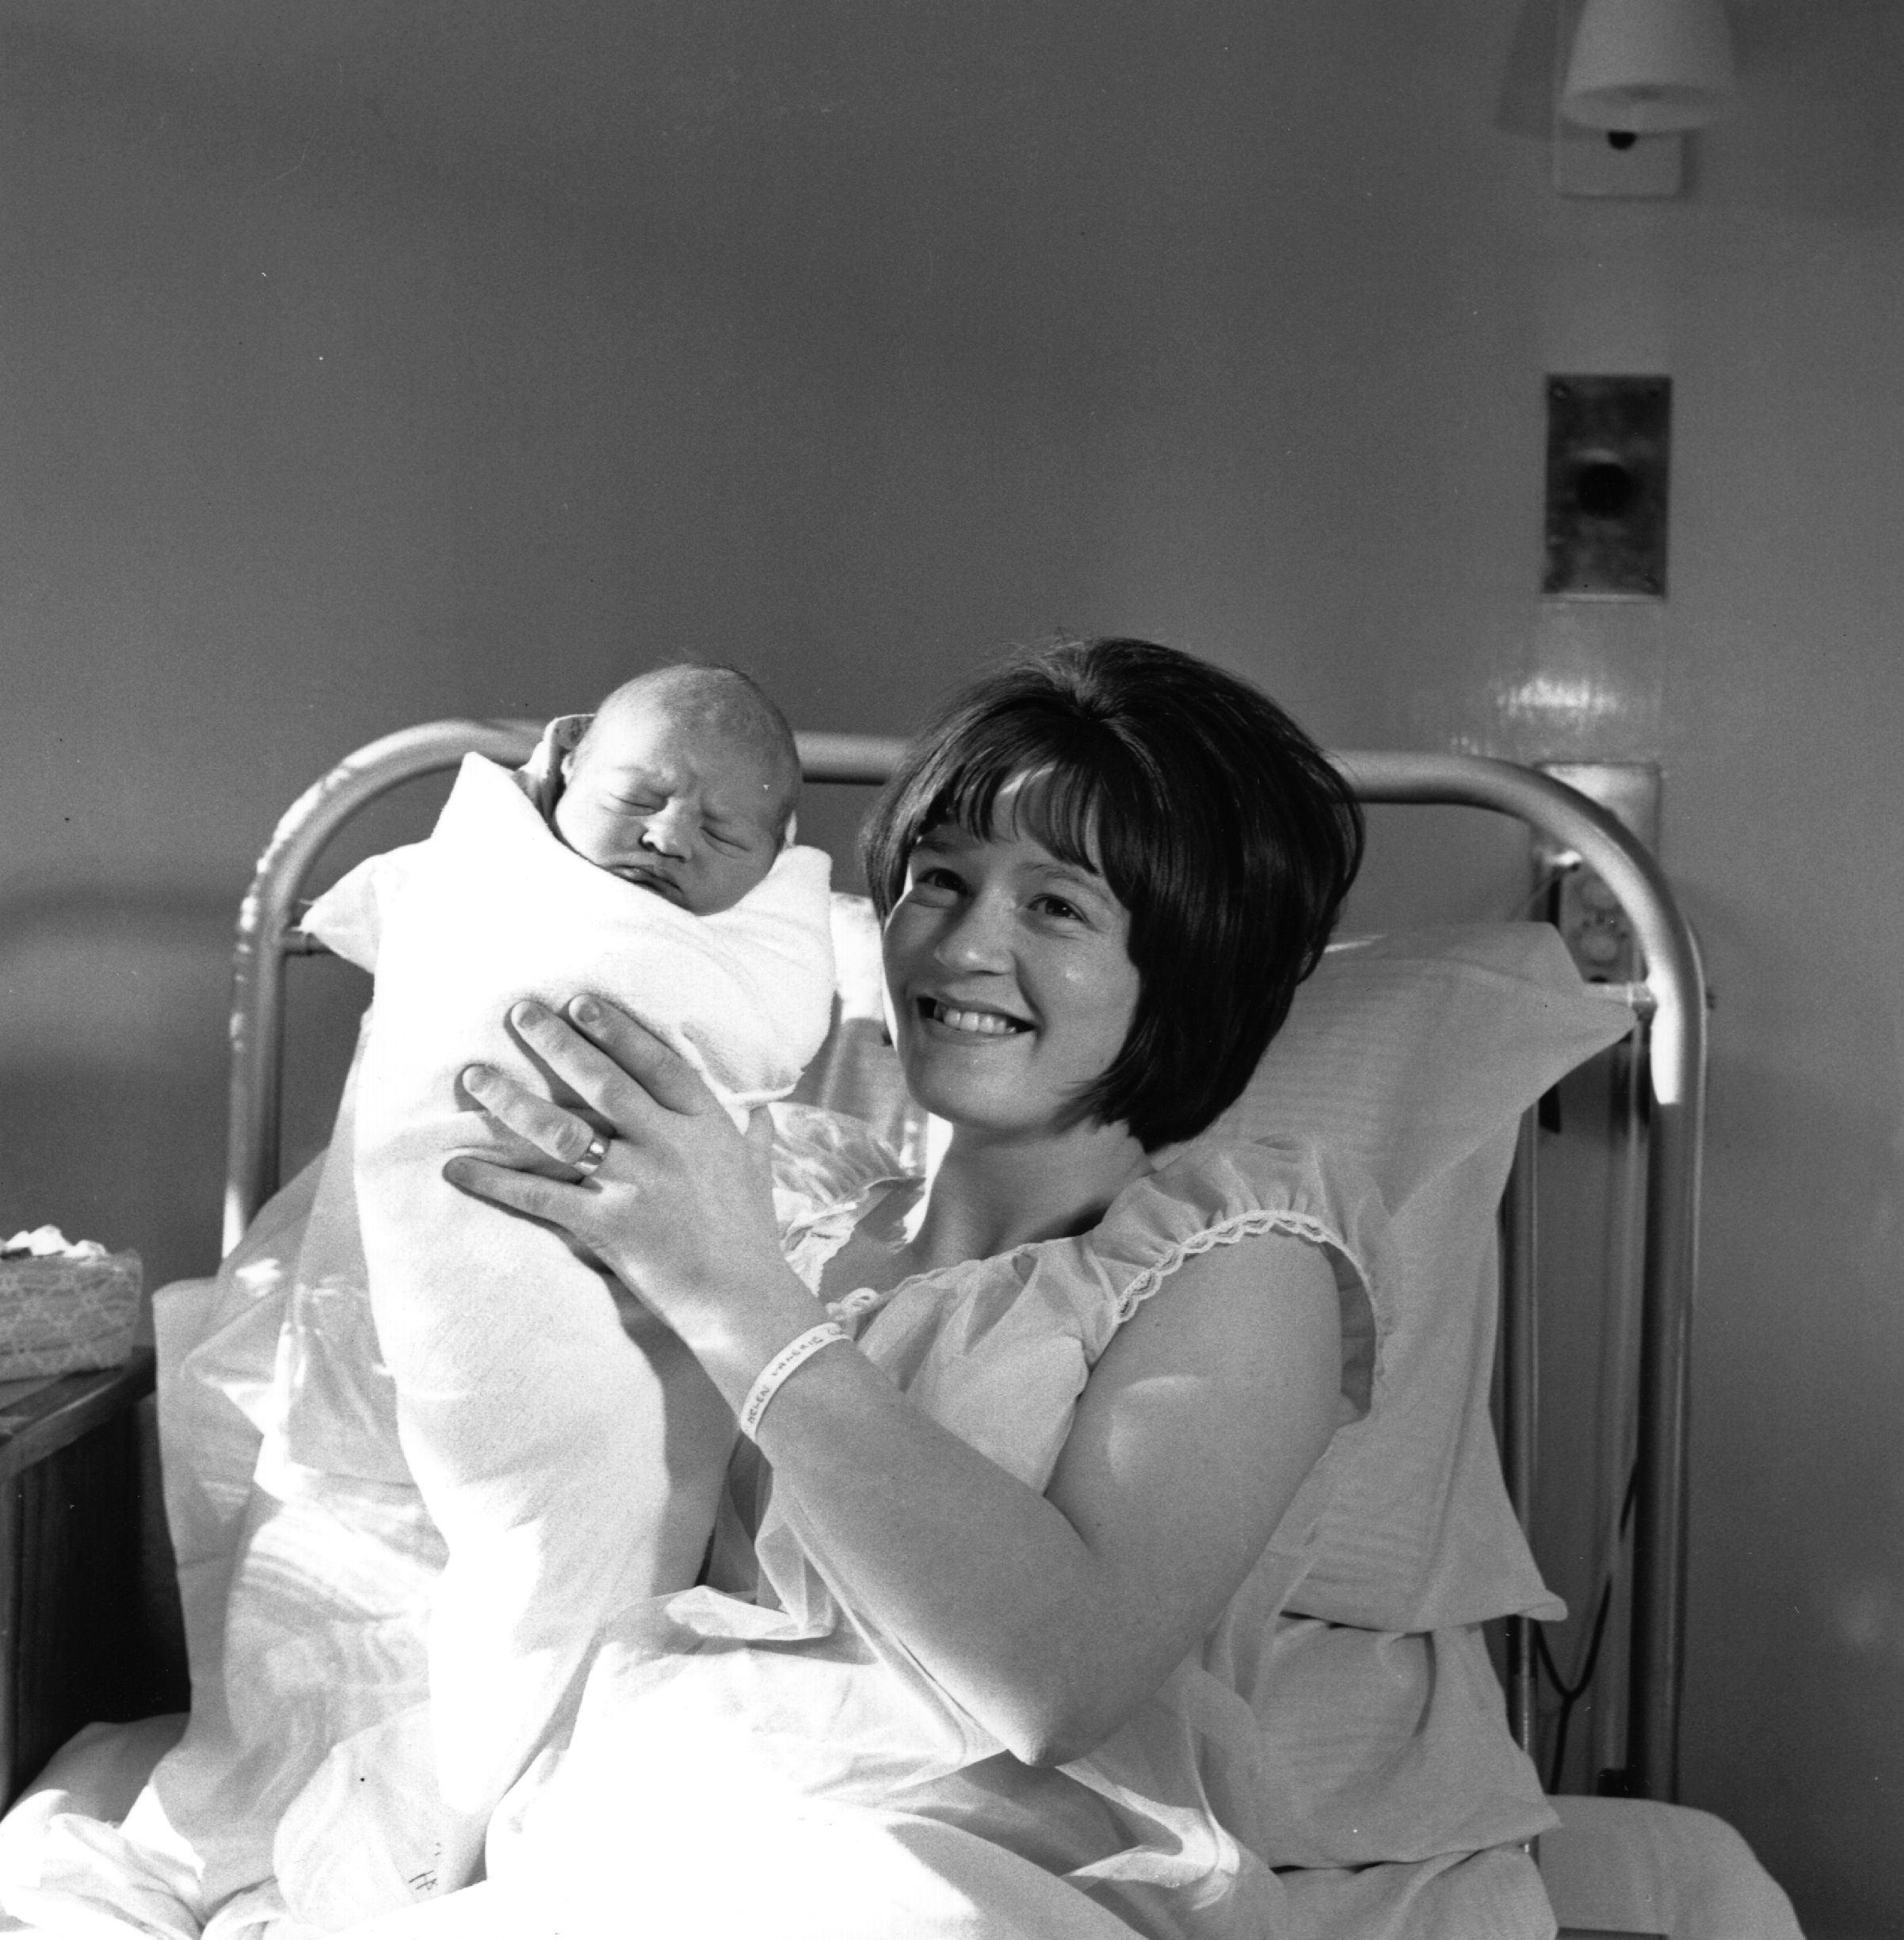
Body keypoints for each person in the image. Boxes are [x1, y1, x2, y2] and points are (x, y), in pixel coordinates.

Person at [357, 636, 1556, 1940]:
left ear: (1191, 962)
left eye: (1058, 907)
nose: (966, 946)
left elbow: (1058, 1682)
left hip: (963, 1877)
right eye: (940, 880)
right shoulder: (782, 1212)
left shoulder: (1242, 1259)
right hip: (650, 1818)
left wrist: (737, 1300)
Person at [277, 662, 839, 1898]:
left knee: (599, 1563)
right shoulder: (487, 875)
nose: (670, 838)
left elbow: (766, 1027)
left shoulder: (774, 937)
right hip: (482, 1304)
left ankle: (516, 1826)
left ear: (780, 852)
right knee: (542, 1569)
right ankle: (486, 1849)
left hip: (636, 1325)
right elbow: (428, 932)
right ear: (564, 768)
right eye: (639, 796)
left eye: (725, 831)